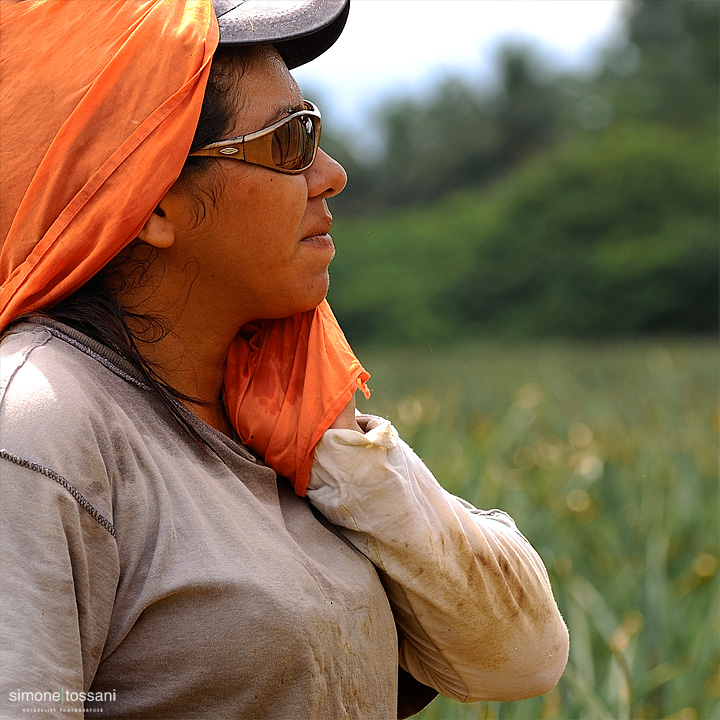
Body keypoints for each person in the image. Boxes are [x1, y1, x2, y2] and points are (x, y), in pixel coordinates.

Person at [0, 1, 569, 718]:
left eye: (317, 130)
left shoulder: (272, 409)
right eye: (290, 141)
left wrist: (343, 457)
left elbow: (521, 654)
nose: (331, 174)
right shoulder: (38, 426)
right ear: (150, 203)